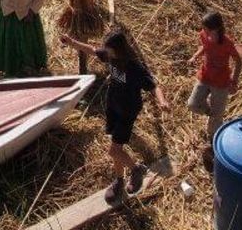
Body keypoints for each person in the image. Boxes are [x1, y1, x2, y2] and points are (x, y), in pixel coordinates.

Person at [59, 29, 170, 201]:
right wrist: (72, 42)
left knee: (113, 150)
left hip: (127, 110)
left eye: (108, 47)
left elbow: (153, 85)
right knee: (117, 149)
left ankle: (136, 169)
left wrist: (162, 101)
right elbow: (92, 49)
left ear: (118, 49)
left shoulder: (134, 67)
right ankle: (119, 180)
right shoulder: (110, 55)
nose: (105, 49)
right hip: (113, 107)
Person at [187, 12, 242, 146]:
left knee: (217, 118)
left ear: (216, 29)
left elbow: (238, 61)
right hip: (205, 76)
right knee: (193, 104)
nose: (203, 31)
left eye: (207, 29)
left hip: (221, 82)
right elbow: (205, 47)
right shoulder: (203, 35)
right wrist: (195, 56)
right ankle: (211, 113)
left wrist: (233, 81)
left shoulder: (227, 43)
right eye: (203, 28)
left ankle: (213, 139)